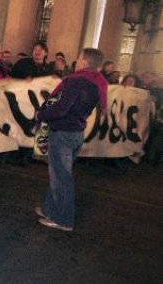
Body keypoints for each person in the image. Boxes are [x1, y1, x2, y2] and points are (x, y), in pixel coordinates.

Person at [35, 48, 108, 232]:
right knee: (58, 174)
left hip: (63, 133)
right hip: (76, 133)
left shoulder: (76, 81)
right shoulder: (97, 83)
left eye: (79, 57)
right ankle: (49, 209)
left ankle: (63, 219)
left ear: (84, 61)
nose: (76, 60)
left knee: (61, 177)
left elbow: (61, 108)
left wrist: (42, 113)